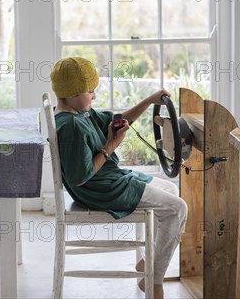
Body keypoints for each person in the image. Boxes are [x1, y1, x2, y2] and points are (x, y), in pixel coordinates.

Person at [50, 56, 188, 299]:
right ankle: (153, 280)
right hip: (101, 189)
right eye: (90, 90)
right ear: (71, 93)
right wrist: (110, 146)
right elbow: (80, 177)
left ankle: (149, 263)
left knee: (170, 191)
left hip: (108, 180)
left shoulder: (80, 113)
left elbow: (118, 119)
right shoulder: (71, 126)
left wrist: (148, 101)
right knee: (177, 209)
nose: (94, 96)